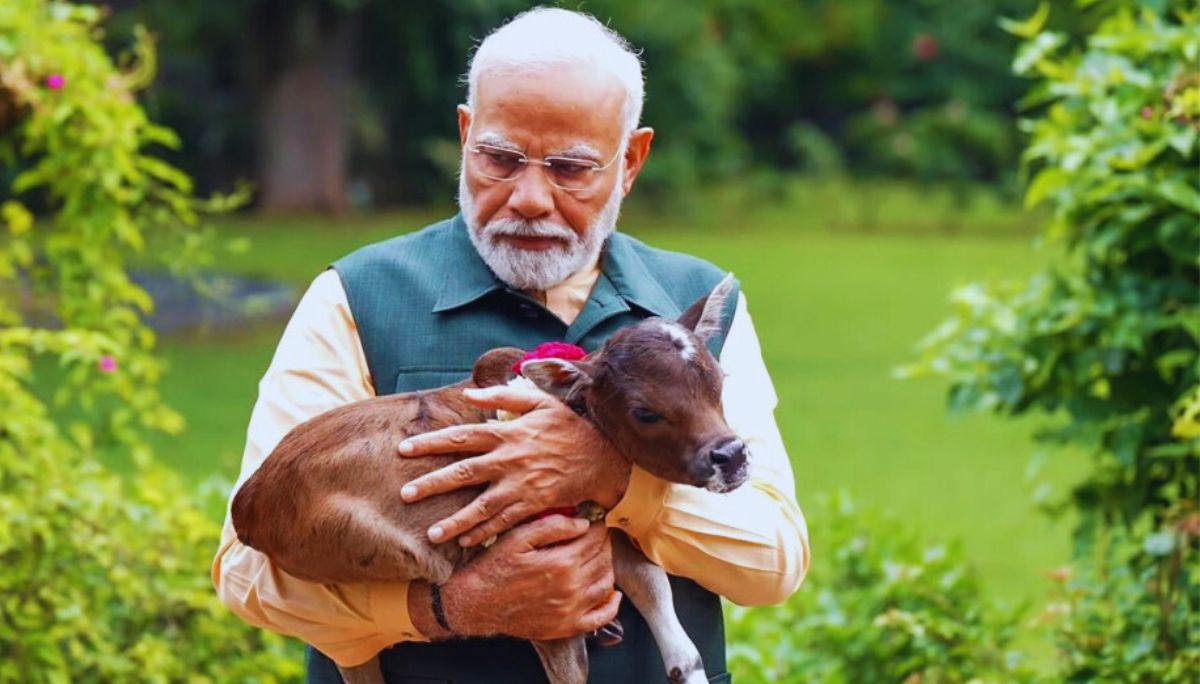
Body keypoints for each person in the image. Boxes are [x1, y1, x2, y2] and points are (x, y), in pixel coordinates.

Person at [213, 7, 809, 683]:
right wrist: (449, 606)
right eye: (499, 158)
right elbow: (247, 571)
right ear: (467, 133)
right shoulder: (358, 296)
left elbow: (775, 562)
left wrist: (615, 482)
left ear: (631, 161)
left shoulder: (698, 308)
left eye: (570, 168)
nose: (528, 197)